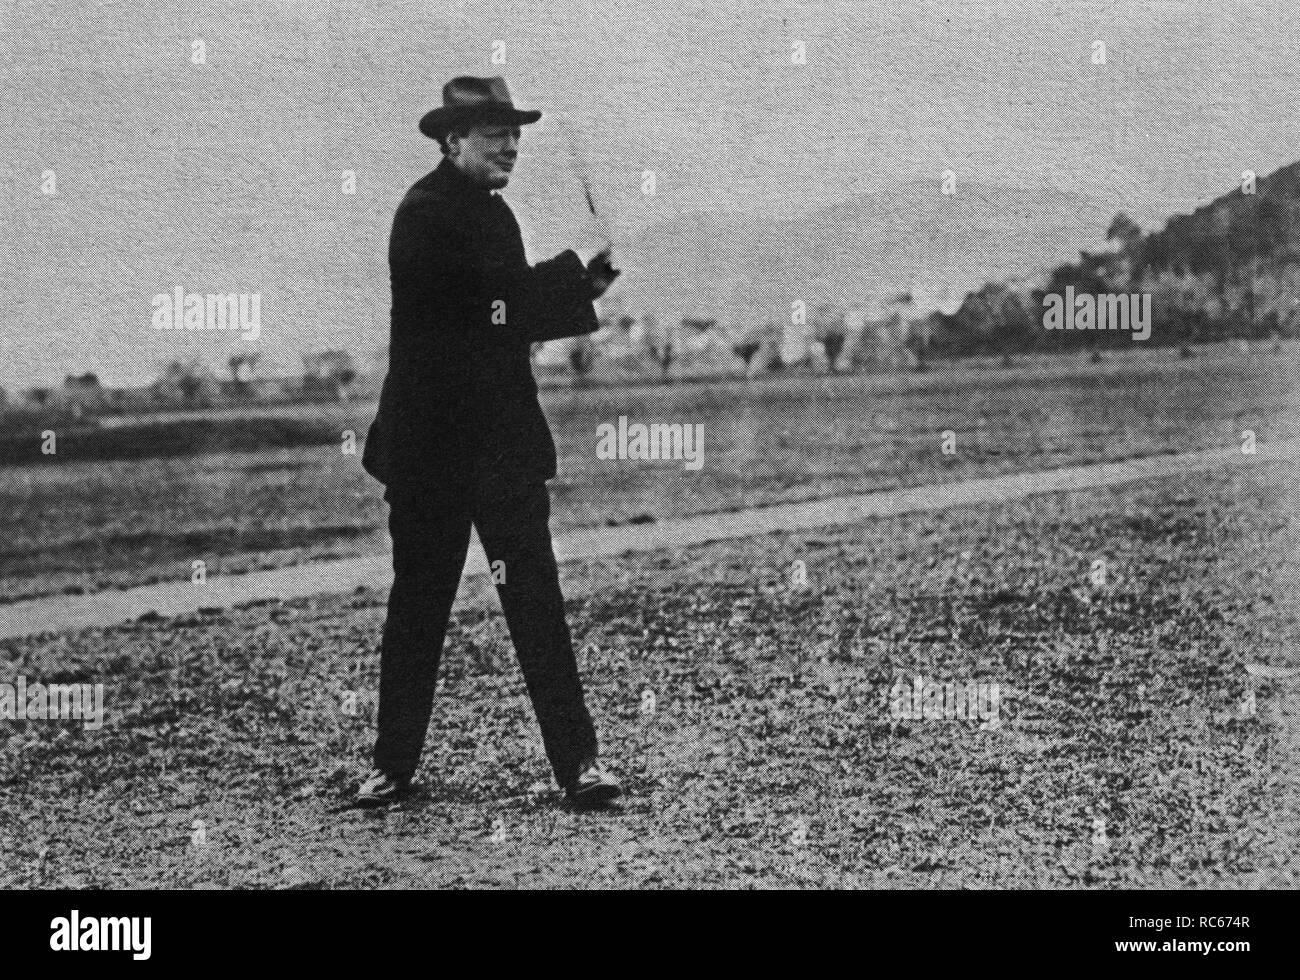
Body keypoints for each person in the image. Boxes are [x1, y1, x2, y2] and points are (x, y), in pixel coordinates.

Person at [358, 76, 622, 807]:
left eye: (515, 133)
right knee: (420, 608)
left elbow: (505, 307)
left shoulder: (492, 213)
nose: (510, 145)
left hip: (500, 451)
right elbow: (490, 313)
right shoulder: (423, 215)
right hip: (432, 457)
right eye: (494, 133)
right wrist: (576, 282)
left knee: (536, 603)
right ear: (452, 141)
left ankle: (579, 766)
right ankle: (392, 766)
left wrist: (578, 287)